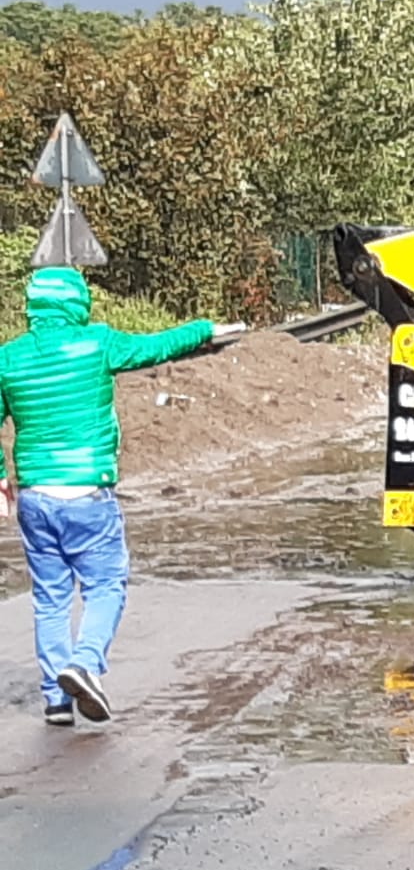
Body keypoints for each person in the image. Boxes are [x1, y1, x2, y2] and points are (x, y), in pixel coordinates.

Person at [0, 268, 239, 727]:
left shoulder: (9, 359)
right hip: (88, 492)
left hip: (35, 497)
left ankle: (55, 701)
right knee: (105, 585)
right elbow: (155, 347)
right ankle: (85, 664)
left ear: (32, 307)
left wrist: (0, 479)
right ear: (77, 303)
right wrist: (205, 329)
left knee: (50, 599)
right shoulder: (98, 344)